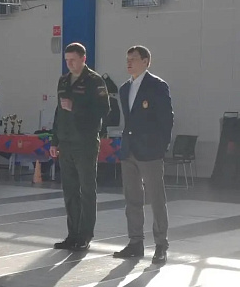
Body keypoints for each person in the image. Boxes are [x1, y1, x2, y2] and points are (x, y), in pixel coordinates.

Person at [113, 45, 174, 265]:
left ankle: (161, 244)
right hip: (129, 149)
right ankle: (135, 242)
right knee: (132, 199)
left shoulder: (157, 85)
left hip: (150, 151)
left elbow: (166, 119)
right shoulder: (124, 88)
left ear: (146, 61)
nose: (129, 62)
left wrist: (161, 147)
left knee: (156, 199)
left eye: (134, 59)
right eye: (127, 59)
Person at [50, 42, 110, 251]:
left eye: (73, 60)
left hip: (85, 143)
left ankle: (85, 235)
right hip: (66, 142)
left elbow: (104, 110)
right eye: (67, 60)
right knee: (70, 191)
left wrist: (76, 107)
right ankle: (72, 234)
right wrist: (54, 140)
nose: (69, 64)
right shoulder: (63, 80)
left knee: (87, 190)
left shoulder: (95, 81)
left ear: (84, 59)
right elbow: (58, 112)